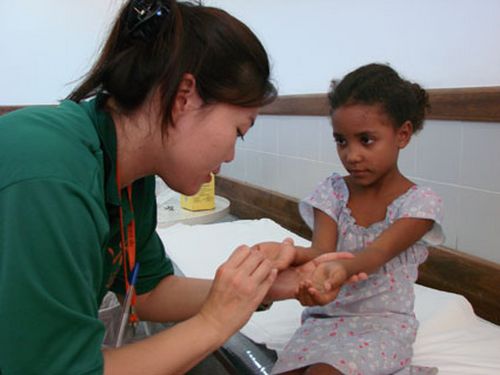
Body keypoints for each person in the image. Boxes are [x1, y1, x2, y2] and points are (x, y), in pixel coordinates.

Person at [0, 1, 354, 374]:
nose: (231, 155)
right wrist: (214, 324)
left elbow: (150, 291)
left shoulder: (128, 178)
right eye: (238, 131)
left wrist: (262, 287)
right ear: (185, 96)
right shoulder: (51, 171)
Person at [270, 63, 445, 375]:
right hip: (325, 318)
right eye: (341, 141)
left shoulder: (419, 204)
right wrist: (289, 256)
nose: (351, 155)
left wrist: (338, 269)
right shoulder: (332, 193)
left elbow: (376, 254)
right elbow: (321, 252)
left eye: (366, 140)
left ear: (402, 134)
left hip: (382, 326)